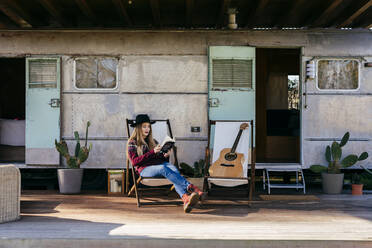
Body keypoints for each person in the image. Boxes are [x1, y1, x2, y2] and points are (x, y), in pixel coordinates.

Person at [127, 114, 204, 213]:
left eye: (149, 126)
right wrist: (152, 152)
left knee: (173, 169)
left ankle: (185, 199)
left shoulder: (152, 141)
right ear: (138, 128)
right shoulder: (132, 142)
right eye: (144, 126)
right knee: (163, 169)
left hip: (157, 166)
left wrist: (164, 155)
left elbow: (156, 159)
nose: (147, 129)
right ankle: (192, 188)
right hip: (144, 170)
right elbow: (134, 162)